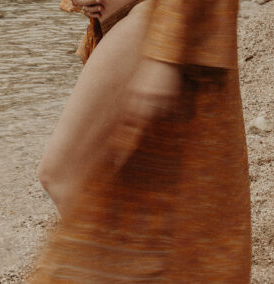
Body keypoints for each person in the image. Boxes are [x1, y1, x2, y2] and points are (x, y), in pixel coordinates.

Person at [28, 0, 252, 282]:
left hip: (157, 19)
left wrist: (165, 52)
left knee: (62, 173)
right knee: (145, 184)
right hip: (134, 21)